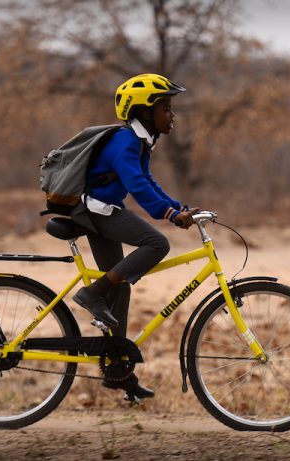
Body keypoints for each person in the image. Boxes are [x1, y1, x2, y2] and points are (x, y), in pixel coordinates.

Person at [70, 73, 198, 399]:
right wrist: (168, 216)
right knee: (157, 244)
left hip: (101, 210)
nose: (172, 115)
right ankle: (91, 295)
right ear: (144, 112)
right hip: (94, 211)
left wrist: (176, 207)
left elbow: (148, 182)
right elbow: (137, 187)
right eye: (166, 108)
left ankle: (118, 371)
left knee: (121, 285)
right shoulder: (125, 142)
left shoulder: (139, 142)